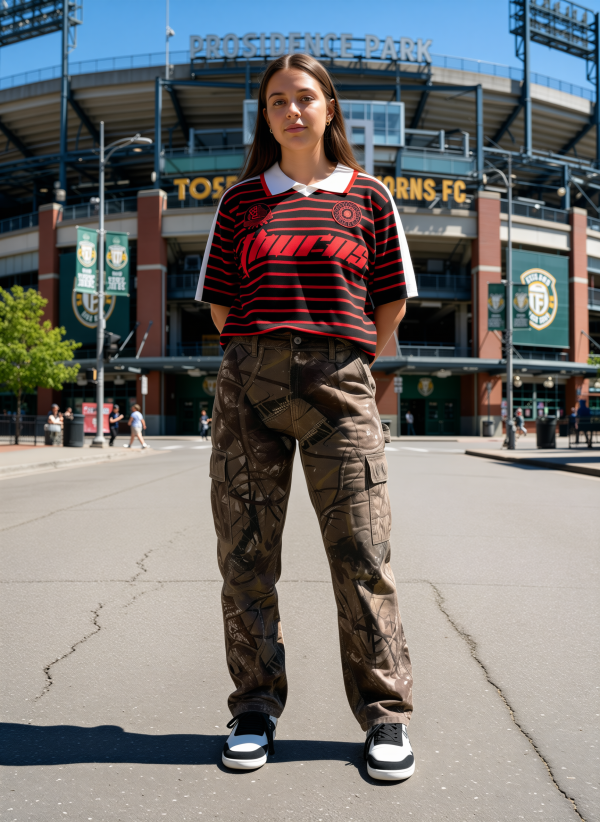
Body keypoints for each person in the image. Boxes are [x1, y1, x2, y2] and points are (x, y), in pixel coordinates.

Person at [197, 53, 417, 781]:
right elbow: (222, 300)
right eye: (277, 101)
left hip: (340, 385)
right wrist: (261, 355)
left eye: (305, 98)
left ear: (329, 108)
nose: (292, 111)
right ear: (266, 116)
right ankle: (254, 706)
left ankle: (385, 716)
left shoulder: (369, 197)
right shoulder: (241, 204)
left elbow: (392, 301)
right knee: (247, 557)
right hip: (248, 386)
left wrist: (347, 362)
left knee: (363, 555)